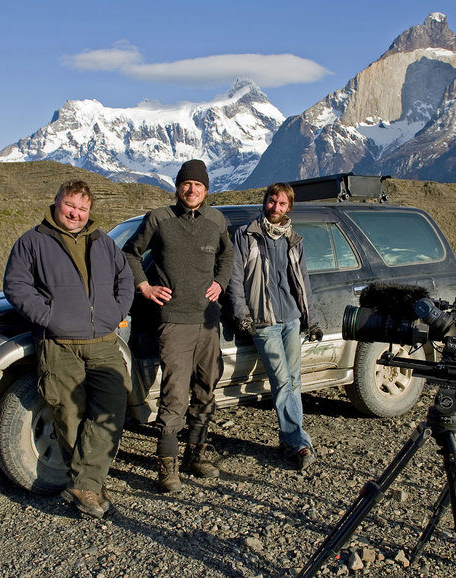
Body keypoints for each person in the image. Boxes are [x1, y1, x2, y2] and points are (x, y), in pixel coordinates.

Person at [3, 180, 133, 519]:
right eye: (70, 206)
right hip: (59, 344)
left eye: (82, 209)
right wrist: (49, 317)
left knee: (112, 406)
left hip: (103, 341)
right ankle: (89, 487)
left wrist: (115, 312)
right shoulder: (32, 241)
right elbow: (16, 286)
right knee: (68, 417)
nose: (75, 214)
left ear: (90, 211)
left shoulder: (103, 242)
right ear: (57, 203)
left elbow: (125, 280)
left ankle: (84, 481)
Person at [124, 159, 233, 493]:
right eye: (186, 183)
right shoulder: (159, 218)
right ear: (177, 187)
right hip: (173, 322)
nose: (191, 189)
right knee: (174, 394)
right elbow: (130, 253)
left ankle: (196, 453)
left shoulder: (216, 220)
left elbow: (228, 257)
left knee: (206, 389)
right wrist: (144, 287)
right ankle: (166, 465)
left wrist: (221, 282)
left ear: (206, 189)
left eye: (198, 185)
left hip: (208, 321)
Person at [227, 182, 322, 470]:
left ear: (288, 207)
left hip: (291, 319)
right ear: (264, 201)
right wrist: (241, 313)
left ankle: (291, 437)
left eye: (282, 204)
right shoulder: (246, 236)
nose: (275, 208)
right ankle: (299, 442)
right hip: (263, 321)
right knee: (282, 382)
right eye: (271, 201)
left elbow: (303, 282)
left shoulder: (294, 239)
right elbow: (235, 279)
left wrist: (311, 318)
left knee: (294, 380)